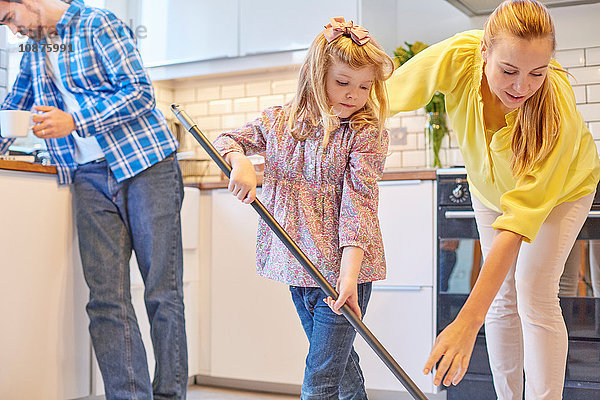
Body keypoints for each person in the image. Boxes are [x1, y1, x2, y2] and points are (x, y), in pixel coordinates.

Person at [386, 0, 600, 398]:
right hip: (490, 188)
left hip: (564, 191)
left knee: (534, 291)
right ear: (484, 52)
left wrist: (467, 322)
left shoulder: (557, 113)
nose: (522, 86)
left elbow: (517, 224)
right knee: (502, 297)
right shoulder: (459, 56)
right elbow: (386, 94)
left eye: (538, 72)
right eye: (509, 70)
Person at [0, 1, 188, 398]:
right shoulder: (36, 48)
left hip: (145, 166)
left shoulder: (96, 23)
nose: (12, 30)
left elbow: (139, 93)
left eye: (9, 18)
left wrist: (74, 120)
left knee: (161, 293)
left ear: (25, 2)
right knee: (105, 300)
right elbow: (13, 107)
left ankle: (171, 394)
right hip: (87, 176)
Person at [213, 17, 392, 399]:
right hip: (299, 267)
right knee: (341, 368)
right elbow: (228, 139)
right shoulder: (279, 122)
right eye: (342, 82)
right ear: (316, 75)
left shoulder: (365, 133)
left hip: (344, 272)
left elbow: (358, 206)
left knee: (321, 378)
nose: (353, 95)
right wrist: (240, 161)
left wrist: (348, 277)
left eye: (364, 86)